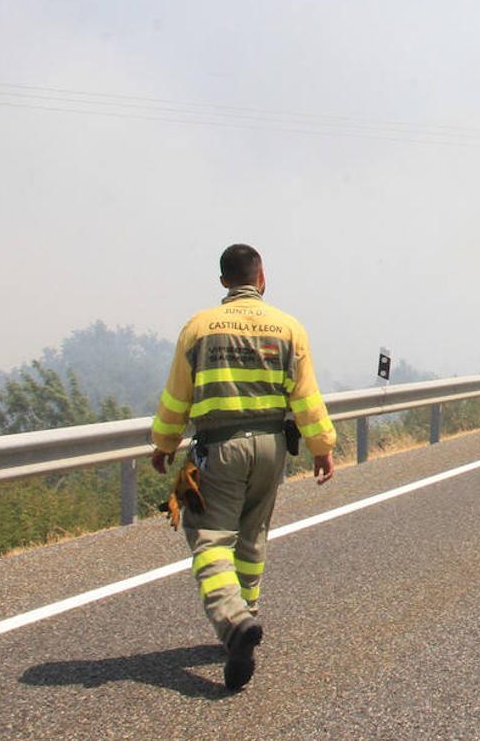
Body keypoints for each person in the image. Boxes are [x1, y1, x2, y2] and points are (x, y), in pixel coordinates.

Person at [149, 243, 336, 691]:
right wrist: (322, 447)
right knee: (252, 537)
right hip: (272, 447)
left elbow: (178, 395)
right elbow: (306, 397)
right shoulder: (288, 327)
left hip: (220, 447)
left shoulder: (199, 328)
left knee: (209, 536)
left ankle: (233, 623)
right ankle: (246, 618)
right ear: (262, 276)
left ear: (223, 282)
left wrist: (164, 443)